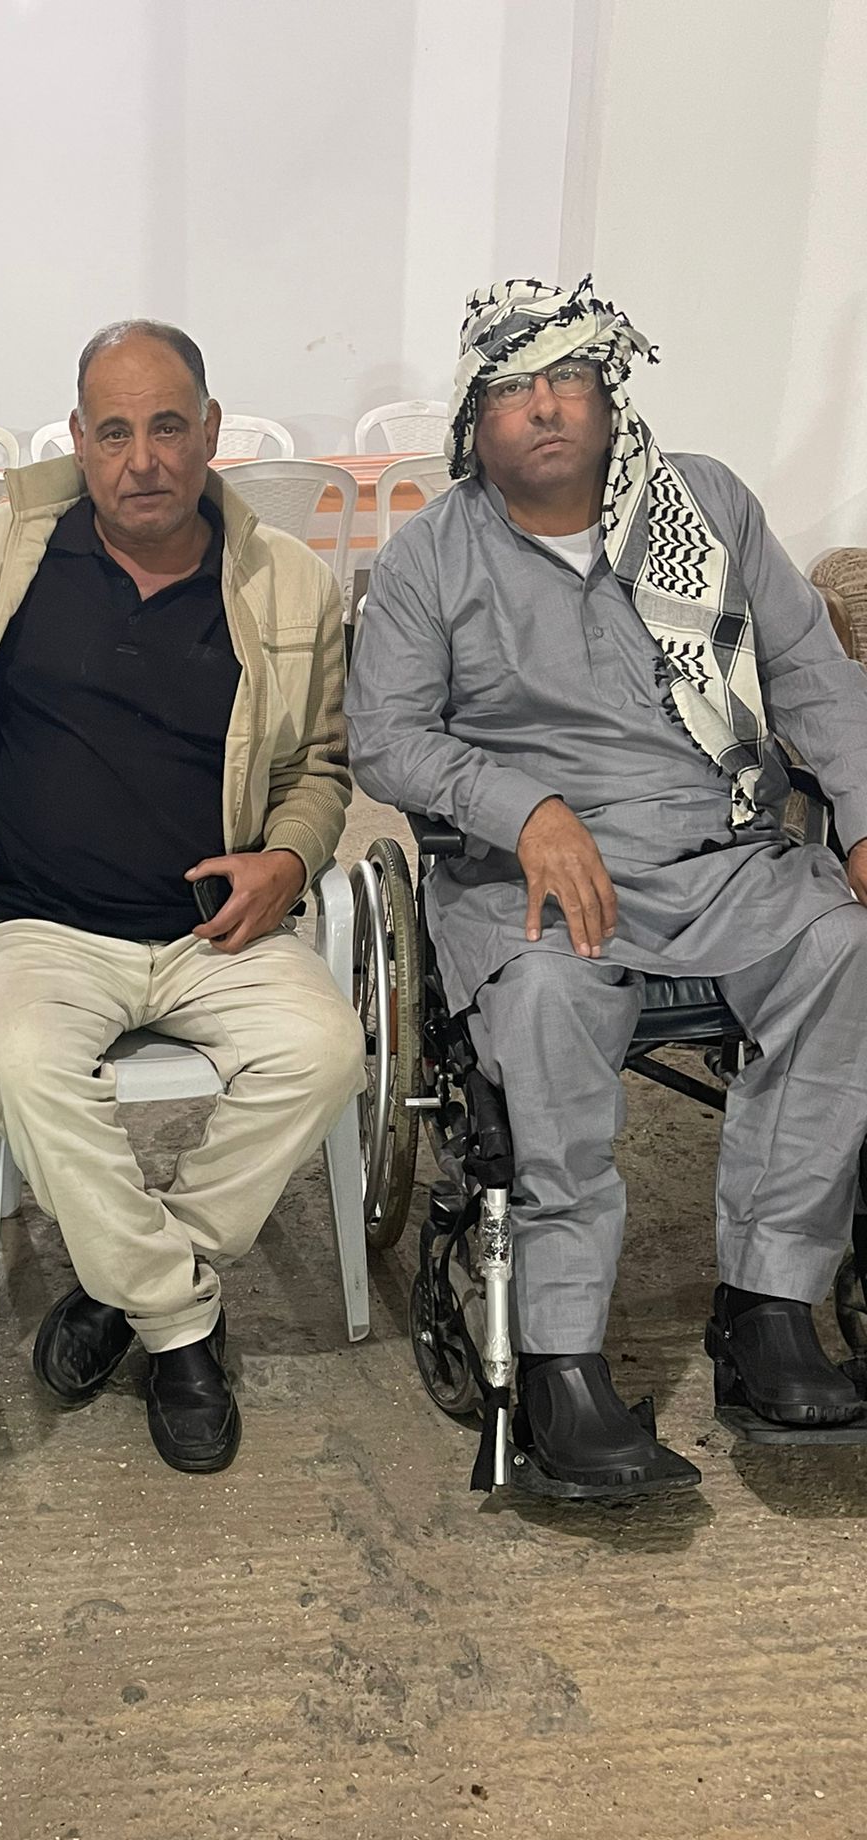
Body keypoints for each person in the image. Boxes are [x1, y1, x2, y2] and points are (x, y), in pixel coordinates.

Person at [348, 277, 867, 1494]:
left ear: (607, 393)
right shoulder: (429, 558)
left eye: (569, 379)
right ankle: (561, 1358)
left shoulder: (707, 506)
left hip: (719, 854)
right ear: (476, 419)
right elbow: (386, 740)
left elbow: (810, 675)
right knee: (548, 1002)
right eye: (514, 389)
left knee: (846, 948)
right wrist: (519, 807)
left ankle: (769, 1308)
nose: (545, 408)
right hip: (530, 880)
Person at [0, 320, 363, 1475]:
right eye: (114, 432)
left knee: (326, 1050)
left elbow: (320, 768)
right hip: (45, 925)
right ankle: (182, 1327)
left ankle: (126, 1281)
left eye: (167, 426)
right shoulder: (3, 553)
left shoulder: (289, 582)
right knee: (22, 1067)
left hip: (216, 928)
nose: (143, 459)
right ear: (80, 439)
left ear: (211, 430)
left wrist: (290, 861)